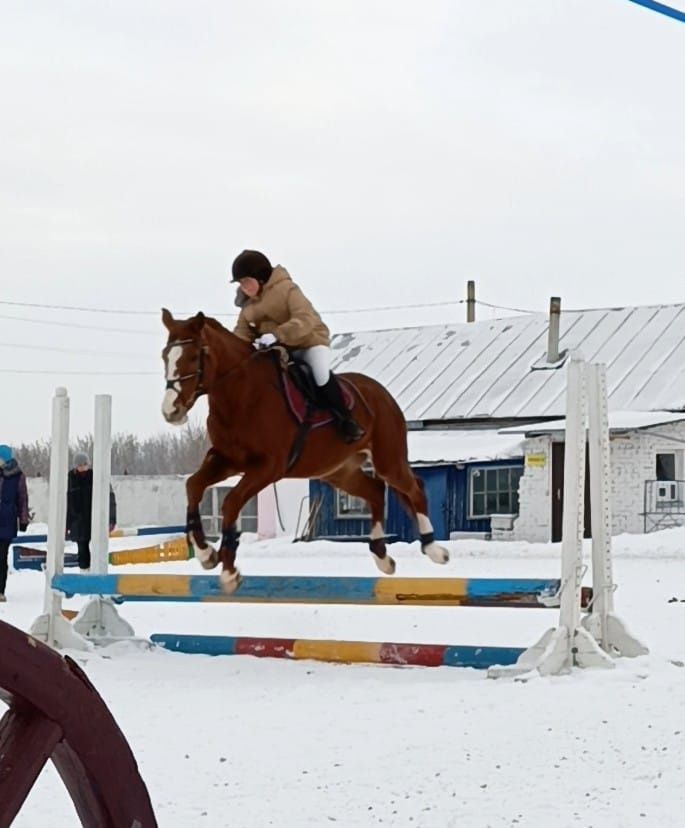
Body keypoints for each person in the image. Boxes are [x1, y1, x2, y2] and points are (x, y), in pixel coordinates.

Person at [231, 249, 364, 442]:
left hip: (309, 342)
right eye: (241, 284)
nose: (244, 288)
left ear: (260, 278)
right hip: (279, 350)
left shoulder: (287, 289)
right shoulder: (247, 306)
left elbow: (305, 319)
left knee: (319, 374)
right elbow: (241, 332)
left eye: (246, 282)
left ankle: (345, 420)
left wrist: (277, 335)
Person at [66, 452, 117, 570]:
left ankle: (96, 574)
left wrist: (111, 519)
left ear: (88, 464)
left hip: (95, 519)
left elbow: (109, 499)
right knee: (82, 552)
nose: (82, 467)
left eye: (84, 464)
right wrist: (66, 524)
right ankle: (84, 575)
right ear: (75, 466)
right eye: (79, 465)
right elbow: (67, 503)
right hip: (78, 522)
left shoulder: (97, 477)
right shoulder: (70, 479)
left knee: (98, 551)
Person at [0, 445, 30, 602]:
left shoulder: (17, 476)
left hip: (7, 521)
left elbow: (22, 499)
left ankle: (0, 590)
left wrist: (23, 520)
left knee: (1, 557)